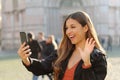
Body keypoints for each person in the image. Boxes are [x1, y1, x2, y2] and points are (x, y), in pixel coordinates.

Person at [18, 11, 107, 80]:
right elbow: (43, 66)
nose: (68, 31)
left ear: (85, 28)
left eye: (73, 27)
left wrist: (87, 63)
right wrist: (26, 59)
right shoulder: (62, 52)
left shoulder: (98, 57)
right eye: (66, 28)